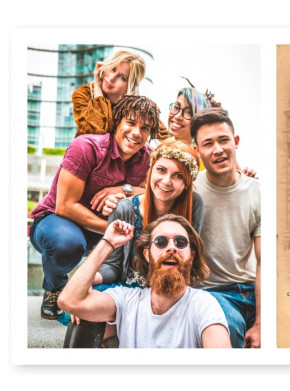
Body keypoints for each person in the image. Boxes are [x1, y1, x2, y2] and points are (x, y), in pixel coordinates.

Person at [61, 139, 204, 348]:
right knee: (83, 312)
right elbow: (113, 265)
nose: (166, 181)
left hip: (168, 289)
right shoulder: (125, 209)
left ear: (186, 183)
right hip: (127, 288)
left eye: (178, 175)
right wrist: (91, 279)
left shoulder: (194, 205)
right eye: (161, 170)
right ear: (150, 171)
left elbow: (190, 261)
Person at [29, 94, 160, 320]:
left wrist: (124, 188)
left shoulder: (150, 159)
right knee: (67, 244)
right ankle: (54, 287)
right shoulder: (86, 147)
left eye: (145, 127)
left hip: (105, 230)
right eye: (130, 122)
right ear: (117, 122)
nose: (137, 132)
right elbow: (65, 206)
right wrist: (112, 231)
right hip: (56, 221)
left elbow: (158, 191)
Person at [58, 215, 231, 348]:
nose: (171, 247)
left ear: (191, 257)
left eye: (180, 242)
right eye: (161, 242)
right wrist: (107, 243)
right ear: (147, 255)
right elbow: (69, 300)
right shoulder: (126, 299)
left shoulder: (203, 305)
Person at [190, 107, 261, 348]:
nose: (218, 149)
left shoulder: (258, 192)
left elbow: (264, 263)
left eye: (223, 140)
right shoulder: (190, 192)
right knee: (228, 330)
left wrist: (261, 322)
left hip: (253, 289)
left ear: (236, 141)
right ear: (197, 151)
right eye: (208, 144)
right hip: (214, 293)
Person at [72, 50, 147, 138]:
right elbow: (96, 132)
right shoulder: (83, 94)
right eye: (113, 69)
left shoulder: (134, 108)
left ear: (130, 85)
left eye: (122, 77)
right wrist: (98, 88)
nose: (111, 78)